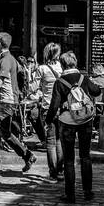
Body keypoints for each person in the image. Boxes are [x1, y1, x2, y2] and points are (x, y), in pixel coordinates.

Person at [48, 52, 104, 203]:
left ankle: (70, 194)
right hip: (85, 120)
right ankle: (88, 192)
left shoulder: (60, 82)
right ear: (75, 63)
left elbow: (54, 105)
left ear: (62, 65)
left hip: (67, 122)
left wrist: (48, 120)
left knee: (69, 159)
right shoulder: (84, 78)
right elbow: (97, 91)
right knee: (85, 156)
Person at [0, 32, 34, 173]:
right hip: (5, 100)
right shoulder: (8, 59)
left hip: (6, 101)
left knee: (5, 133)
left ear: (0, 43)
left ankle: (27, 155)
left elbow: (0, 82)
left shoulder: (6, 60)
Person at [33, 42, 64, 181]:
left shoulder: (42, 68)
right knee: (59, 140)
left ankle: (53, 173)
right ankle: (61, 171)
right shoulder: (63, 67)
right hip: (62, 108)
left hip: (48, 107)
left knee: (50, 142)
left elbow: (34, 87)